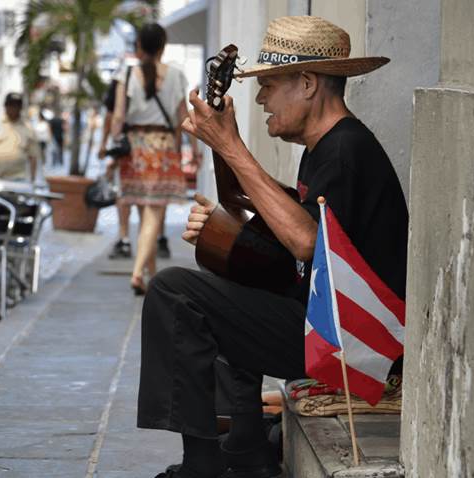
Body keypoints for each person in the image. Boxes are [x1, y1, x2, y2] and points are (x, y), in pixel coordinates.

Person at [138, 16, 408, 478]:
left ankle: (202, 465)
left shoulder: (347, 151)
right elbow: (297, 235)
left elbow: (306, 244)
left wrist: (233, 148)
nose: (261, 97)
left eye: (270, 85)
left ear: (306, 83)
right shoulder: (324, 147)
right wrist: (225, 225)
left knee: (173, 291)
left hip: (353, 344)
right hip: (322, 325)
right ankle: (244, 448)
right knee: (228, 270)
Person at [109, 23, 188, 295]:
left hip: (133, 148)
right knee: (153, 215)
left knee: (147, 216)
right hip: (163, 148)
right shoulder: (176, 75)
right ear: (163, 46)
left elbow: (119, 116)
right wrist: (191, 150)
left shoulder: (127, 73)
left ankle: (150, 277)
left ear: (139, 46)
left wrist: (112, 149)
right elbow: (183, 119)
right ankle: (138, 272)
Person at [0, 93, 41, 181]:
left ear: (21, 108)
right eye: (10, 105)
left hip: (17, 179)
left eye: (16, 105)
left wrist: (32, 180)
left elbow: (33, 156)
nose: (13, 108)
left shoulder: (28, 129)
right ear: (5, 106)